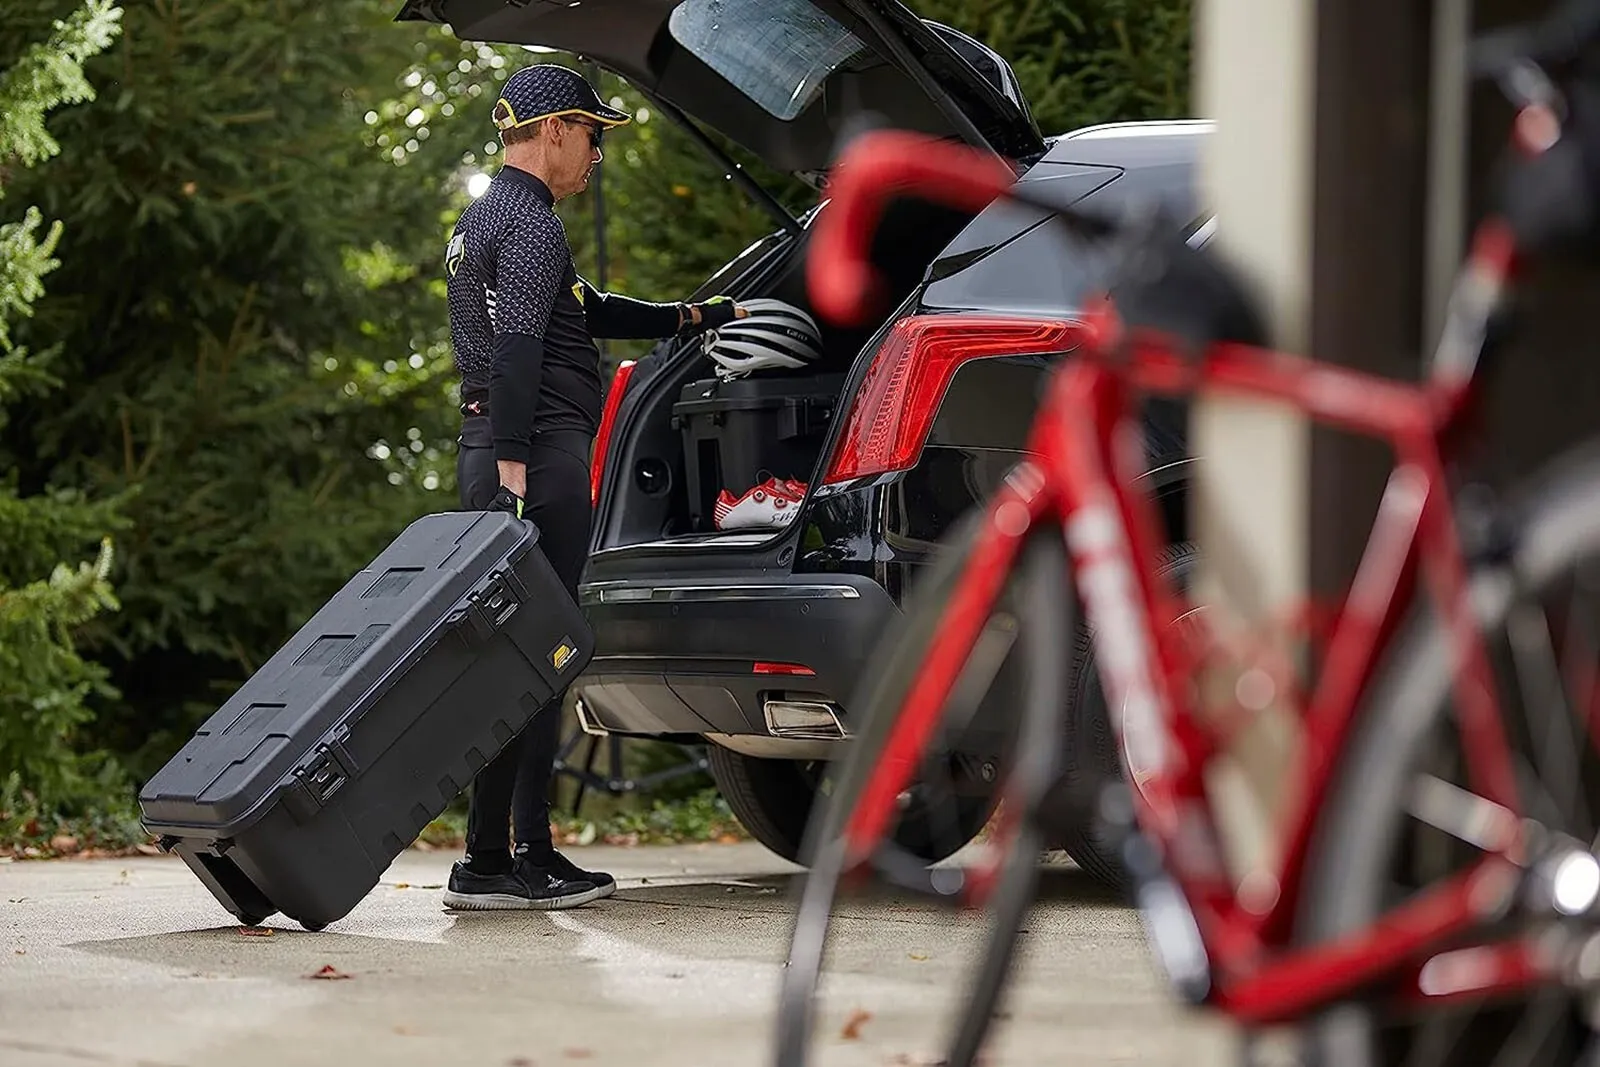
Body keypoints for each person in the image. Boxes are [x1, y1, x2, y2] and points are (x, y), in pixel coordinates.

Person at [441, 64, 744, 910]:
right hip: (534, 454)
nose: (596, 154)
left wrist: (694, 315)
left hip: (494, 447)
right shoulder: (532, 223)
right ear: (553, 130)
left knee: (511, 657)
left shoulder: (484, 217)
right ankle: (522, 856)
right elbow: (518, 348)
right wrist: (517, 462)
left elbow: (586, 307)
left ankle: (490, 859)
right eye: (591, 134)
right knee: (543, 652)